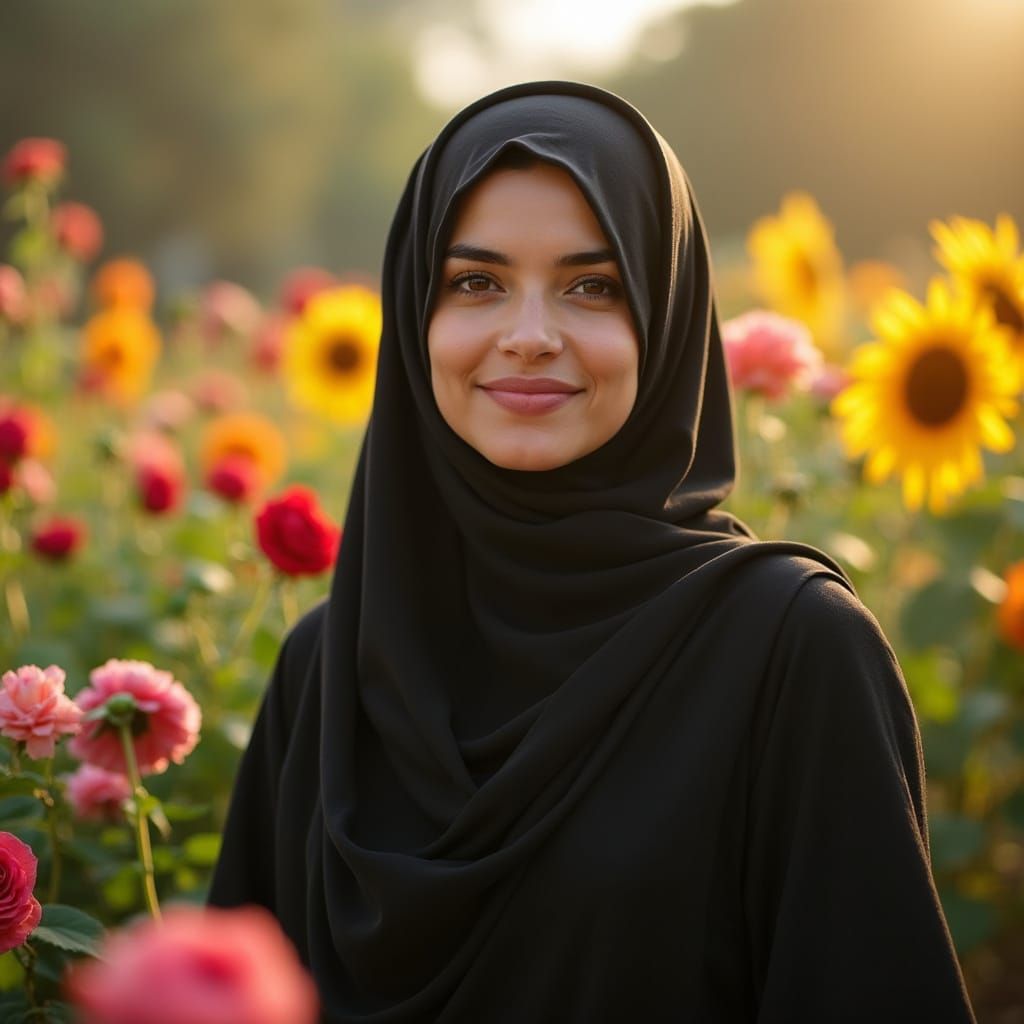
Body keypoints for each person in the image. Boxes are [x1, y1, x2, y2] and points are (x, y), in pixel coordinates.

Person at [209, 81, 976, 1022]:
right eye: (476, 281)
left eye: (593, 286)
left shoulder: (790, 654)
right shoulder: (329, 672)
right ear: (415, 316)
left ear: (667, 316)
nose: (529, 336)